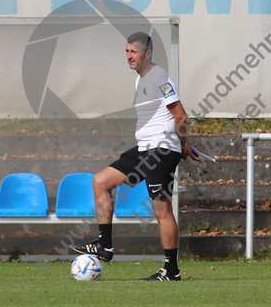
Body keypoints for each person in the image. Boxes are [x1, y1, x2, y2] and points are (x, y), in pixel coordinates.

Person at [71, 32, 199, 281]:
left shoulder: (159, 76)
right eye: (127, 51)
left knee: (162, 209)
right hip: (145, 149)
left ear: (147, 53)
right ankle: (104, 246)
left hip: (160, 151)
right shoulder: (141, 80)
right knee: (101, 181)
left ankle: (171, 271)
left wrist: (180, 146)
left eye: (134, 51)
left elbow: (181, 116)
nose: (129, 56)